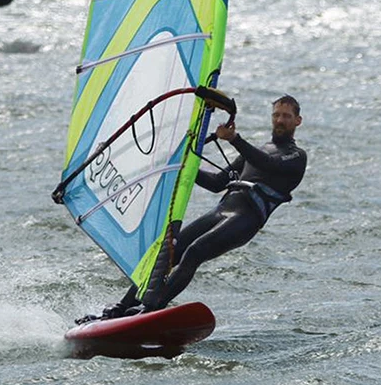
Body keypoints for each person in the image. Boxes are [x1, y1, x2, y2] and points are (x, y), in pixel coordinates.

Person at [76, 95, 309, 324]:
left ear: (297, 121)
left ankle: (149, 308)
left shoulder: (296, 156)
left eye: (286, 116)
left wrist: (235, 139)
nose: (280, 120)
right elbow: (217, 182)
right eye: (276, 115)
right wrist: (183, 166)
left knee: (195, 251)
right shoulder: (260, 149)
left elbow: (268, 164)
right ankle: (120, 308)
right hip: (222, 210)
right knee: (166, 254)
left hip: (246, 217)